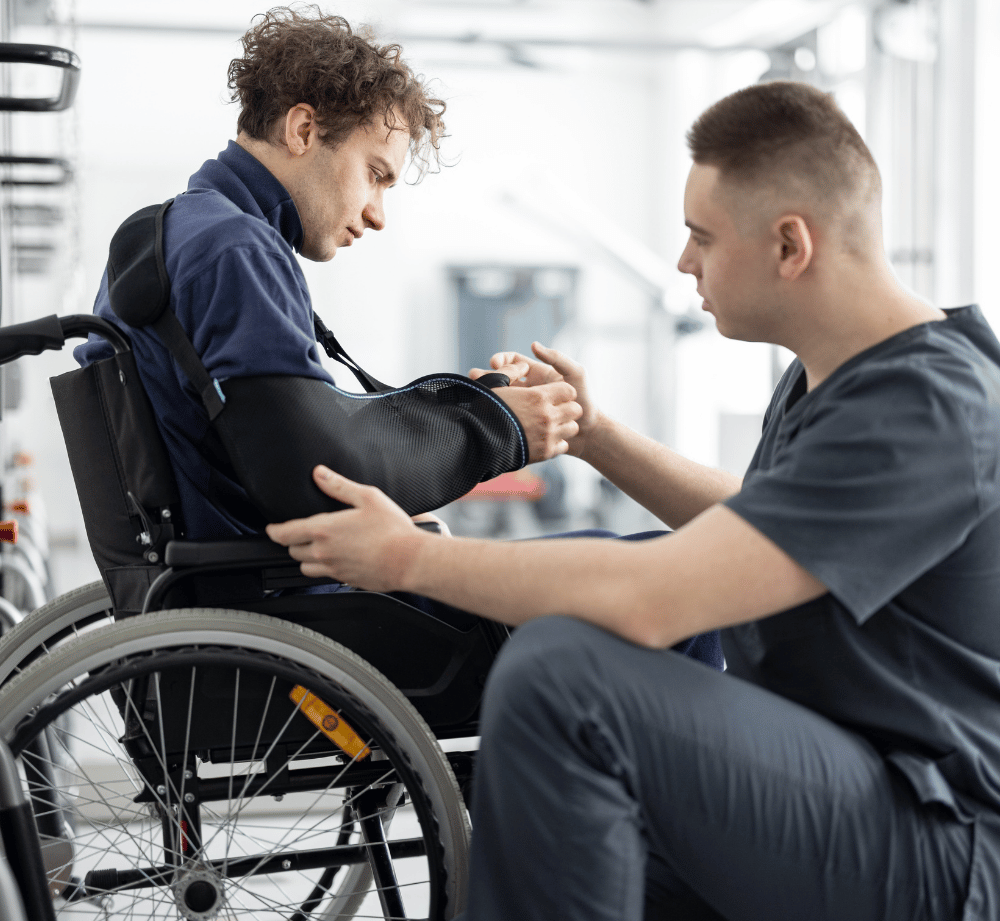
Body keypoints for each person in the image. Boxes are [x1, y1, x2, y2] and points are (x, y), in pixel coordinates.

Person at [267, 80, 1000, 920]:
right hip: (827, 781)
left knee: (570, 673)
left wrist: (409, 559)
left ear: (790, 245)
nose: (685, 262)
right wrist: (594, 433)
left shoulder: (930, 405)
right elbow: (759, 523)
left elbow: (656, 603)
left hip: (933, 838)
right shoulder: (830, 372)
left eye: (701, 237)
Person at [75, 6, 581, 543]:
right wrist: (501, 429)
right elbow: (314, 480)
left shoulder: (176, 229)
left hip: (216, 579)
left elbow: (298, 437)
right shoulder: (237, 249)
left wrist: (466, 406)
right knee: (579, 577)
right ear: (303, 129)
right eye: (375, 174)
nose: (377, 215)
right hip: (275, 600)